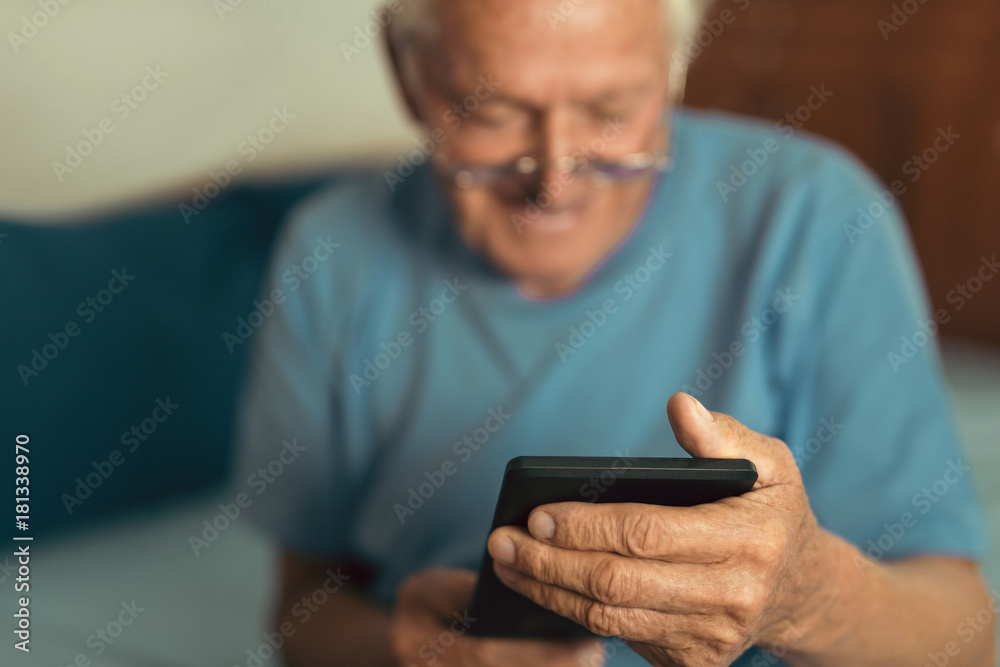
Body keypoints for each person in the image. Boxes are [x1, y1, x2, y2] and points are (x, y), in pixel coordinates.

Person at [233, 0, 995, 664]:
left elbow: (965, 638)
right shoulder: (330, 252)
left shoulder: (818, 218)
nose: (556, 177)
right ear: (408, 71)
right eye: (494, 110)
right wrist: (416, 653)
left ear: (672, 72)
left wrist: (806, 598)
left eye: (610, 110)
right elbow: (301, 608)